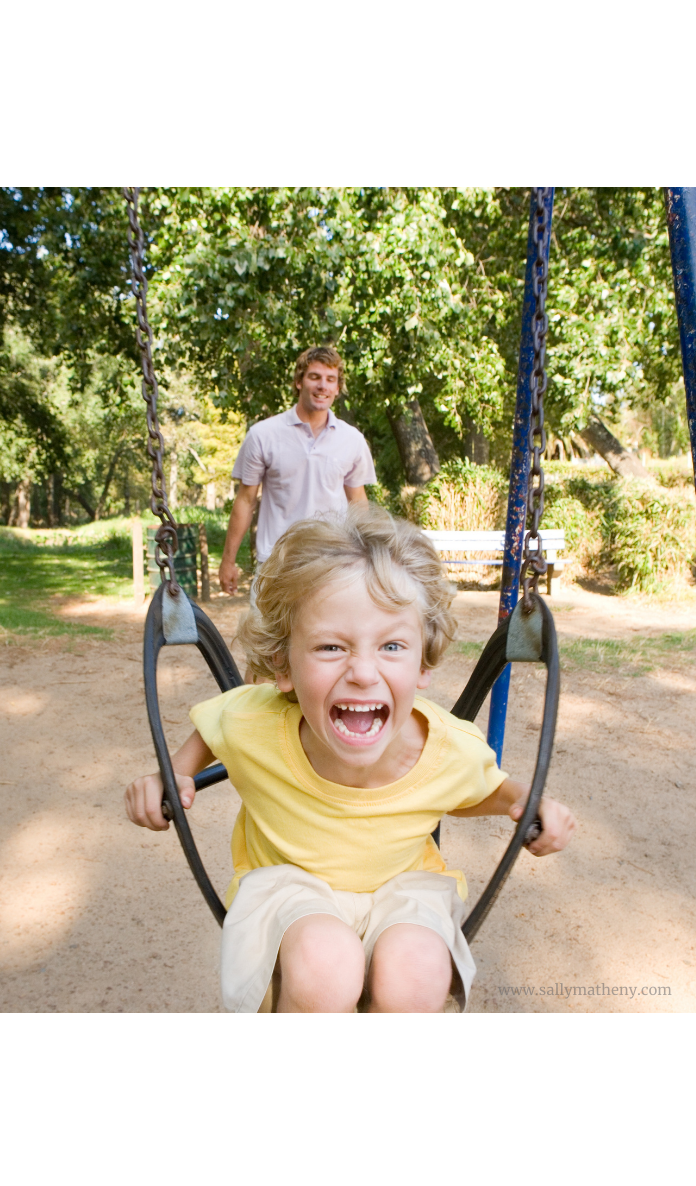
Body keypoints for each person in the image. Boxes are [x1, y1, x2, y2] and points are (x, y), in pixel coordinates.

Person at [124, 506, 576, 1013]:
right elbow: (206, 738)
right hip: (289, 885)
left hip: (403, 890)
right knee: (326, 967)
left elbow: (484, 789)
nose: (363, 671)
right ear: (283, 664)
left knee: (419, 972)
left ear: (423, 661)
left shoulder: (448, 746)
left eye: (391, 645)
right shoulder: (256, 722)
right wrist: (169, 779)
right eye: (331, 646)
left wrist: (530, 806)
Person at [218, 346, 376, 602]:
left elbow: (358, 503)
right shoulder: (264, 435)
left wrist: (370, 557)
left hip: (333, 563)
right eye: (314, 377)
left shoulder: (352, 439)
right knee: (265, 641)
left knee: (327, 640)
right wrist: (228, 561)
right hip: (276, 563)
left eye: (330, 379)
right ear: (298, 382)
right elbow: (246, 500)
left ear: (337, 388)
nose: (322, 386)